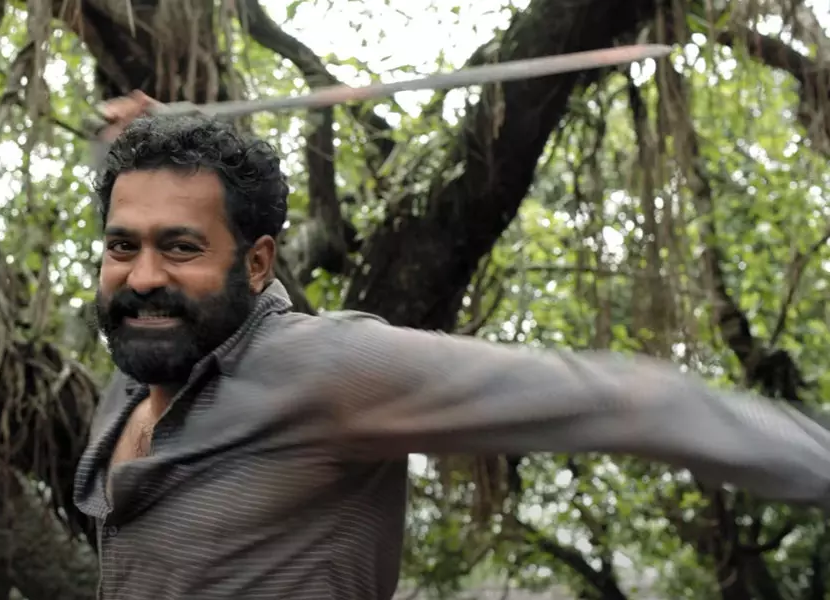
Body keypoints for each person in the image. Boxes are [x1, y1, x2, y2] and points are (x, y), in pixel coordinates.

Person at [73, 92, 830, 600]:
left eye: (180, 247)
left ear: (258, 262)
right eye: (122, 245)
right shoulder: (135, 377)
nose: (143, 277)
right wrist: (157, 138)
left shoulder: (319, 370)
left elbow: (619, 399)